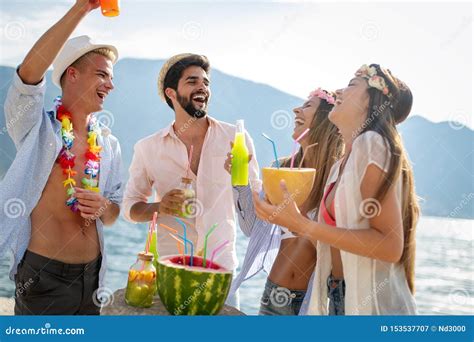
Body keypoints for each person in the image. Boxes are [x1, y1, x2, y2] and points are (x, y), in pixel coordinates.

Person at [253, 64, 419, 315]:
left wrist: (302, 225)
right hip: (340, 297)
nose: (339, 91)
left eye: (352, 84)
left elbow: (390, 246)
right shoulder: (341, 165)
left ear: (370, 101)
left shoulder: (371, 144)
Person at [0, 0, 123, 315]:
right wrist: (81, 8)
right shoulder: (37, 128)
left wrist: (105, 207)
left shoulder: (110, 145)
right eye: (102, 75)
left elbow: (112, 214)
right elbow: (29, 73)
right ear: (73, 74)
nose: (111, 85)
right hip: (44, 278)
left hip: (94, 277)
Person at [123, 53, 261, 308]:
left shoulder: (236, 139)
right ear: (171, 93)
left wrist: (240, 182)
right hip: (171, 273)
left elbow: (256, 209)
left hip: (222, 273)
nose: (202, 88)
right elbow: (130, 208)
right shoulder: (148, 148)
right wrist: (158, 207)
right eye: (192, 81)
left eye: (206, 83)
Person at [225, 88, 343, 315]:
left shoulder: (337, 175)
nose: (296, 109)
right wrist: (240, 180)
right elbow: (252, 227)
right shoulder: (282, 168)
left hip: (312, 303)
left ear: (327, 119)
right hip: (274, 295)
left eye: (308, 106)